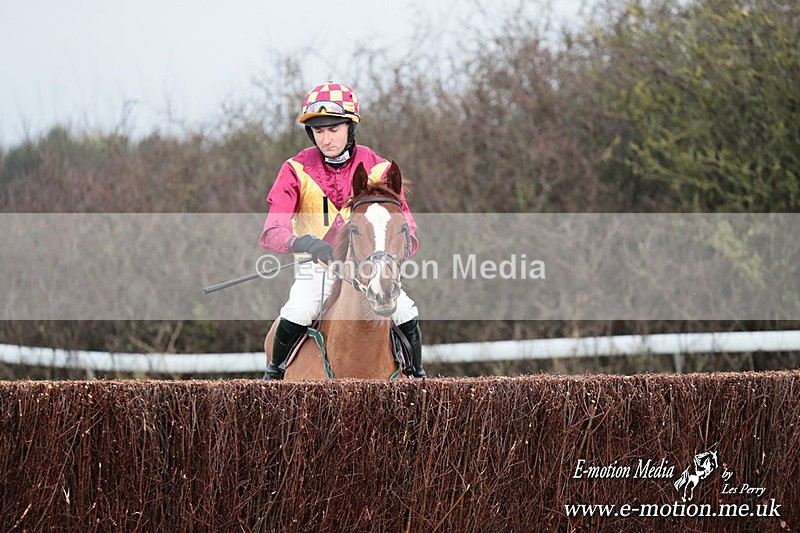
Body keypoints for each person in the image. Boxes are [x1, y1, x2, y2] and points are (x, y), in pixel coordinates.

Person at [259, 81, 425, 380]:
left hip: (369, 267)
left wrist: (389, 260)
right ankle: (273, 380)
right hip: (317, 268)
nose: (326, 138)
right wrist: (304, 243)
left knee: (405, 310)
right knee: (299, 309)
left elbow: (408, 232)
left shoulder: (379, 168)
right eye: (319, 131)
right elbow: (272, 231)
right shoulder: (294, 169)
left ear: (350, 127)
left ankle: (416, 376)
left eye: (333, 129)